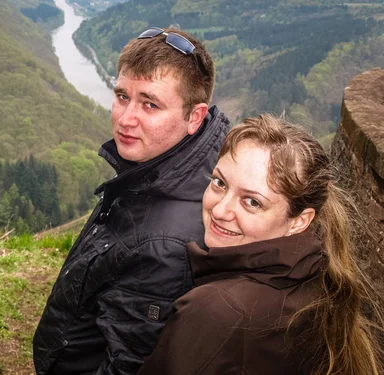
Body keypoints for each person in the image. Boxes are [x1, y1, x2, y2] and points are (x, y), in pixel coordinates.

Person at [33, 27, 230, 374]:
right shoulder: (159, 169)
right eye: (122, 96)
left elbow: (130, 364)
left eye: (150, 104)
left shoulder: (167, 245)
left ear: (194, 118)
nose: (125, 119)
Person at [138, 114, 384, 375]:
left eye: (252, 202)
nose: (221, 210)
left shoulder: (215, 311)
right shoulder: (320, 273)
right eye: (219, 183)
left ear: (299, 221)